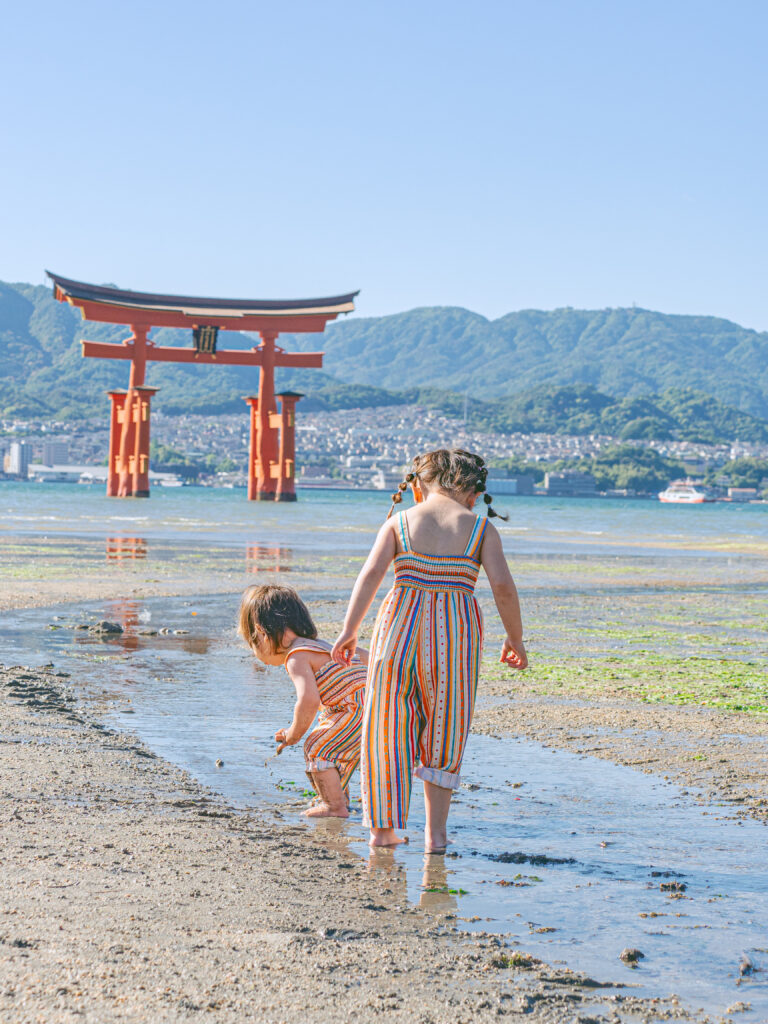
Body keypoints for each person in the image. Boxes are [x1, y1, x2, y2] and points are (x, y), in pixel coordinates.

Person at [331, 448, 527, 851]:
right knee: (446, 726)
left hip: (397, 630)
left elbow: (370, 575)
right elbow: (503, 587)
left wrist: (349, 630)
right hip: (456, 635)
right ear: (473, 493)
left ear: (418, 486)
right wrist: (515, 638)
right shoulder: (480, 529)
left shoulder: (400, 522)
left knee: (386, 726)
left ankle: (383, 831)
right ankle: (435, 833)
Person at [239, 584, 368, 818]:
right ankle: (339, 800)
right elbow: (366, 657)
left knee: (316, 747)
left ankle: (334, 806)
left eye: (252, 644)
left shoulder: (296, 656)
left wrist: (293, 734)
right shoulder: (323, 646)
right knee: (329, 746)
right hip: (373, 710)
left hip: (353, 712)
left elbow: (308, 700)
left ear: (260, 632)